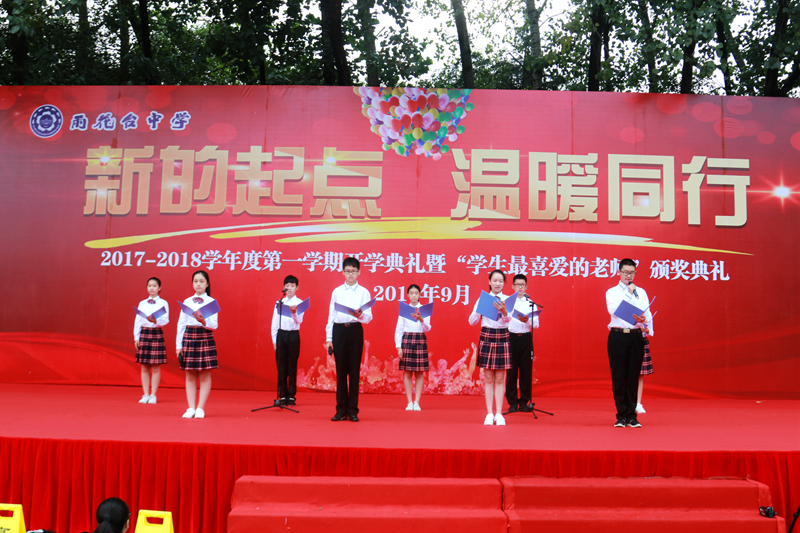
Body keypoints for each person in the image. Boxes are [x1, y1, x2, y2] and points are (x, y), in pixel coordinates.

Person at [605, 258, 653, 428]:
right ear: (619, 272)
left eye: (631, 273)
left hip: (635, 336)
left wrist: (645, 321)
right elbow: (615, 310)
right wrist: (630, 294)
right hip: (618, 337)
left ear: (635, 273)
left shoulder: (641, 292)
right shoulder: (612, 292)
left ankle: (632, 416)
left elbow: (647, 313)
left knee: (633, 376)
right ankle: (620, 416)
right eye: (625, 272)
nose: (628, 276)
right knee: (619, 377)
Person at [324, 257, 373, 422]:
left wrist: (361, 315)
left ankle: (352, 411)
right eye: (347, 271)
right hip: (339, 331)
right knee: (340, 371)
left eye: (353, 271)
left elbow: (369, 317)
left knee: (353, 371)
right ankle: (340, 410)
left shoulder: (364, 292)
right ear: (343, 272)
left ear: (359, 272)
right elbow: (331, 315)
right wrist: (329, 338)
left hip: (355, 331)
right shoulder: (337, 291)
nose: (350, 274)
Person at [469, 269, 512, 426]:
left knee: (500, 378)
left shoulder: (507, 299)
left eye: (500, 281)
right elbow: (471, 321)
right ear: (489, 282)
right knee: (488, 378)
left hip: (502, 336)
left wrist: (504, 311)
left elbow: (509, 321)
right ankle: (489, 414)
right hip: (487, 335)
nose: (497, 283)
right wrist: (479, 309)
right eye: (495, 280)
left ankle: (499, 413)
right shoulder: (482, 299)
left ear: (504, 283)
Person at [176, 270, 219, 419]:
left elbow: (214, 325)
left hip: (204, 336)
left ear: (207, 284)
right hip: (189, 337)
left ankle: (200, 408)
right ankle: (191, 408)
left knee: (205, 375)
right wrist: (178, 345)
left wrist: (204, 321)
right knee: (190, 375)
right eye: (195, 281)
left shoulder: (211, 302)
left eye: (201, 281)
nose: (198, 284)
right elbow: (181, 324)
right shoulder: (187, 301)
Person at [505, 274, 539, 413]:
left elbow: (536, 325)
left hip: (526, 338)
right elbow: (503, 320)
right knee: (511, 372)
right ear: (513, 286)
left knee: (526, 371)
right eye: (517, 284)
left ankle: (524, 402)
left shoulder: (531, 303)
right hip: (511, 338)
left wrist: (528, 321)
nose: (520, 287)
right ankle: (512, 403)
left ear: (526, 287)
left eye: (522, 285)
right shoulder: (507, 302)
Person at [395, 284, 431, 411]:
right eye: (411, 293)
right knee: (408, 372)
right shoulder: (404, 310)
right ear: (408, 295)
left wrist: (422, 320)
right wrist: (399, 347)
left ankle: (417, 402)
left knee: (420, 372)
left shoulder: (425, 310)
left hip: (420, 339)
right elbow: (399, 330)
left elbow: (428, 328)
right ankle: (409, 402)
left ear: (420, 294)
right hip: (407, 340)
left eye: (416, 293)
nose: (414, 295)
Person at [133, 277, 169, 405]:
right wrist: (136, 337)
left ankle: (153, 395)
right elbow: (138, 321)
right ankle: (145, 394)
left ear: (159, 288)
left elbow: (166, 320)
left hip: (156, 333)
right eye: (149, 285)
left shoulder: (163, 303)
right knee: (144, 366)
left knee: (155, 367)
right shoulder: (142, 303)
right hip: (144, 334)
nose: (152, 288)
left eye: (154, 286)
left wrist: (156, 321)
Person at [271, 274, 304, 406]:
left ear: (297, 287)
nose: (289, 288)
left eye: (292, 286)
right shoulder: (279, 302)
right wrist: (274, 340)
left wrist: (294, 313)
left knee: (292, 366)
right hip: (281, 335)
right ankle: (282, 395)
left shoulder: (300, 303)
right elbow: (274, 323)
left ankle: (291, 395)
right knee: (281, 366)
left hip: (293, 335)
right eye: (287, 286)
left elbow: (299, 321)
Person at [637, 322, 654, 414]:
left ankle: (637, 403)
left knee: (640, 374)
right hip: (627, 339)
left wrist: (646, 330)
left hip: (641, 340)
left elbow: (650, 331)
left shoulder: (646, 313)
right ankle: (626, 402)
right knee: (626, 372)